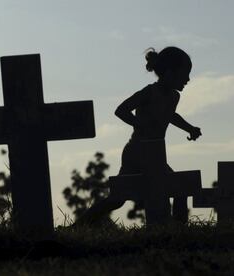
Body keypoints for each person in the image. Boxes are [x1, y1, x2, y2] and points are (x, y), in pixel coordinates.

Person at [77, 46, 202, 225]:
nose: (188, 79)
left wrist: (189, 128)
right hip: (136, 152)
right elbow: (121, 110)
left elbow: (170, 115)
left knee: (177, 188)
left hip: (155, 154)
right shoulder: (149, 93)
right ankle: (79, 225)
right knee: (118, 198)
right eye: (184, 74)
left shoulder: (174, 97)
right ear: (169, 73)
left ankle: (178, 229)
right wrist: (142, 125)